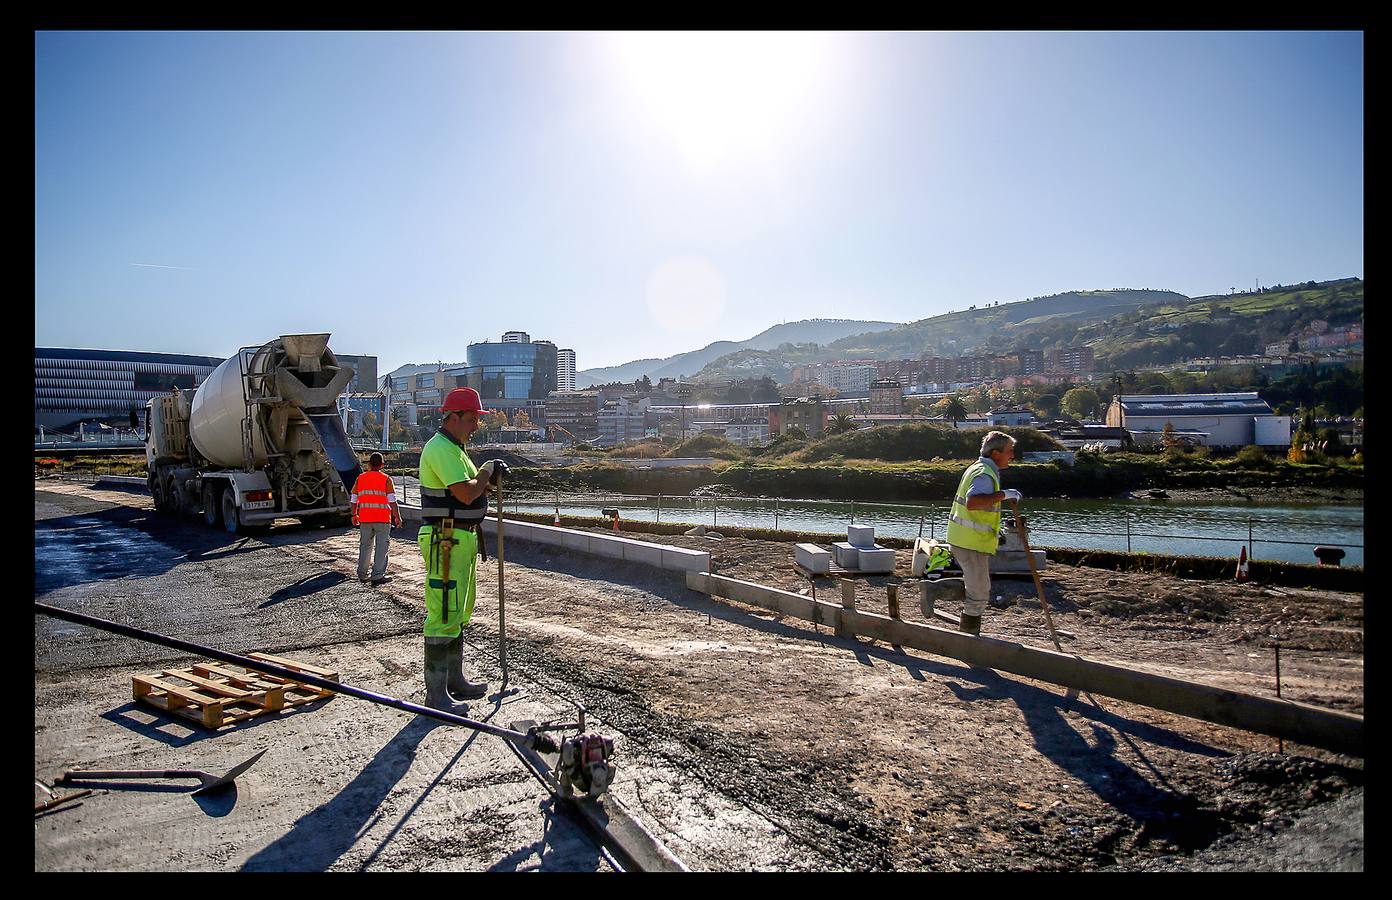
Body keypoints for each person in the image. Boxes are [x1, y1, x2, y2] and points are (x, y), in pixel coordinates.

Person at [416, 387, 509, 710]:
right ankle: (436, 695)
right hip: (446, 541)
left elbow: (473, 487)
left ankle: (454, 681)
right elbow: (466, 493)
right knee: (444, 612)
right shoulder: (440, 449)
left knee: (458, 611)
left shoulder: (456, 449)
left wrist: (488, 477)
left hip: (460, 539)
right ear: (452, 417)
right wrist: (486, 471)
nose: (475, 426)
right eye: (471, 419)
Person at [945, 430, 1022, 636]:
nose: (1012, 455)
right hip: (970, 542)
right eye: (1009, 451)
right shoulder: (983, 473)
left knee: (976, 586)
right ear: (996, 453)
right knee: (979, 593)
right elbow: (973, 502)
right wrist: (1003, 495)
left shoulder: (979, 468)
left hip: (966, 539)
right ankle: (969, 636)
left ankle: (935, 590)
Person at [350, 452, 403, 585]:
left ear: (368, 464)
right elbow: (392, 501)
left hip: (365, 518)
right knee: (381, 547)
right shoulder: (386, 479)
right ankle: (377, 575)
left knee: (365, 546)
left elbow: (353, 499)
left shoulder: (360, 478)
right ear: (382, 465)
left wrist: (354, 514)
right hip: (382, 519)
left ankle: (362, 574)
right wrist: (397, 517)